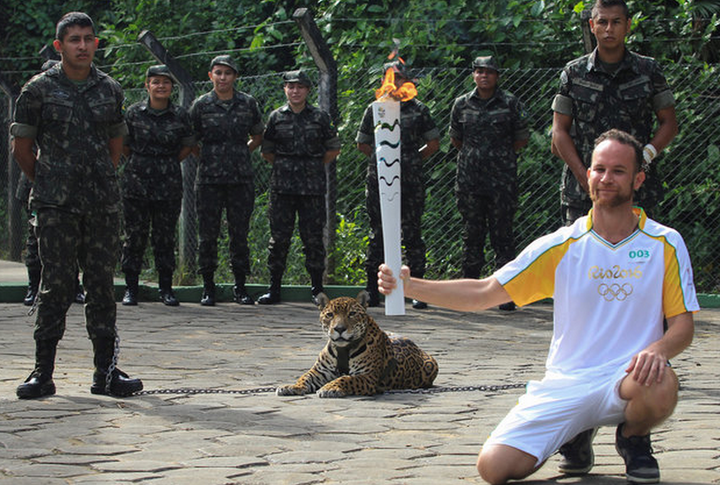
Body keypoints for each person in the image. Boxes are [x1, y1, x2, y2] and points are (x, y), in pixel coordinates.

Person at [378, 129, 698, 484]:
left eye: (618, 171)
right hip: (567, 382)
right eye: (600, 169)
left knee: (661, 383)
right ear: (587, 174)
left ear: (638, 179)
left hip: (628, 380)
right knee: (494, 469)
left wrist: (658, 349)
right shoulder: (562, 245)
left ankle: (634, 439)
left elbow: (683, 326)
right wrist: (410, 286)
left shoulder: (664, 243)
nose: (607, 178)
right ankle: (574, 434)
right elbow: (485, 292)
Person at [11, 11, 143, 399]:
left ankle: (106, 373)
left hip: (101, 203)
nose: (82, 46)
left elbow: (116, 142)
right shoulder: (38, 90)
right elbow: (22, 149)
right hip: (56, 205)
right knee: (56, 286)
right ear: (59, 46)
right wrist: (51, 182)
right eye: (74, 39)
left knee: (102, 287)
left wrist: (98, 176)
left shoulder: (110, 89)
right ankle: (42, 372)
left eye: (88, 38)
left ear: (95, 43)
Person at [552, 0, 678, 225]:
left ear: (628, 25)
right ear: (592, 25)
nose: (609, 29)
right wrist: (585, 176)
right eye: (603, 22)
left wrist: (646, 155)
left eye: (616, 22)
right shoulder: (573, 73)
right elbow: (559, 131)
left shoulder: (648, 71)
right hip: (583, 193)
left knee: (638, 256)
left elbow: (669, 123)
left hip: (636, 188)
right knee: (580, 256)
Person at [356, 60, 440, 309]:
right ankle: (373, 290)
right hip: (380, 181)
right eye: (390, 76)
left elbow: (433, 144)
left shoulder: (419, 109)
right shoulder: (376, 108)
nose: (395, 81)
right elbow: (362, 144)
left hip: (410, 181)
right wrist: (384, 162)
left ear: (407, 80)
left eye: (400, 77)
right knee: (378, 234)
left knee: (412, 233)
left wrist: (410, 159)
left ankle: (416, 291)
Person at [449, 55, 529, 311]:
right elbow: (457, 140)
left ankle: (505, 295)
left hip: (502, 181)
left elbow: (520, 139)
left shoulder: (510, 103)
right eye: (479, 71)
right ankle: (468, 294)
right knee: (471, 236)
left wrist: (497, 158)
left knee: (502, 237)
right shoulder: (461, 104)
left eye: (489, 72)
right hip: (470, 181)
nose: (484, 76)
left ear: (497, 76)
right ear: (473, 75)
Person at [257, 70, 341, 305]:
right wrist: (288, 166)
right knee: (278, 240)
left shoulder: (320, 117)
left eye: (300, 87)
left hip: (312, 189)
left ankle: (317, 289)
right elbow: (267, 151)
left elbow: (333, 149)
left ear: (307, 90)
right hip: (282, 189)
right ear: (285, 89)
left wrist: (310, 165)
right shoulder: (276, 117)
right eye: (290, 87)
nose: (295, 91)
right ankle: (274, 289)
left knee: (313, 240)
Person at [190, 55, 264, 306]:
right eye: (218, 73)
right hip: (209, 180)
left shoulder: (247, 103)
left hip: (240, 179)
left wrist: (241, 152)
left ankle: (240, 287)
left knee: (239, 234)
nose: (223, 78)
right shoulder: (201, 105)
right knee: (207, 235)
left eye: (228, 73)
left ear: (235, 77)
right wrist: (209, 158)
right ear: (211, 76)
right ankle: (208, 287)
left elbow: (257, 135)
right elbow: (192, 141)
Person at [120, 65, 195, 307]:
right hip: (136, 183)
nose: (161, 86)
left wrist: (166, 162)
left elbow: (186, 147)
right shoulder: (133, 113)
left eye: (166, 82)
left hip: (168, 184)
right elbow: (124, 145)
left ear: (172, 87)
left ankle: (166, 289)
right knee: (134, 237)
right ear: (147, 85)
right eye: (156, 82)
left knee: (164, 239)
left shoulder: (180, 115)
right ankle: (131, 288)